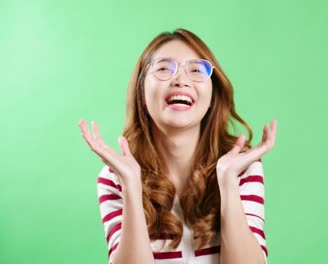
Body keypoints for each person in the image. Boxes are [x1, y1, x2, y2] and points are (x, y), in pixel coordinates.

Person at [78, 28, 277, 264]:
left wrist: (228, 182)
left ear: (212, 94)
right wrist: (132, 184)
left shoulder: (241, 167)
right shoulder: (115, 178)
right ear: (141, 91)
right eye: (163, 68)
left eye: (196, 70)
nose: (181, 80)